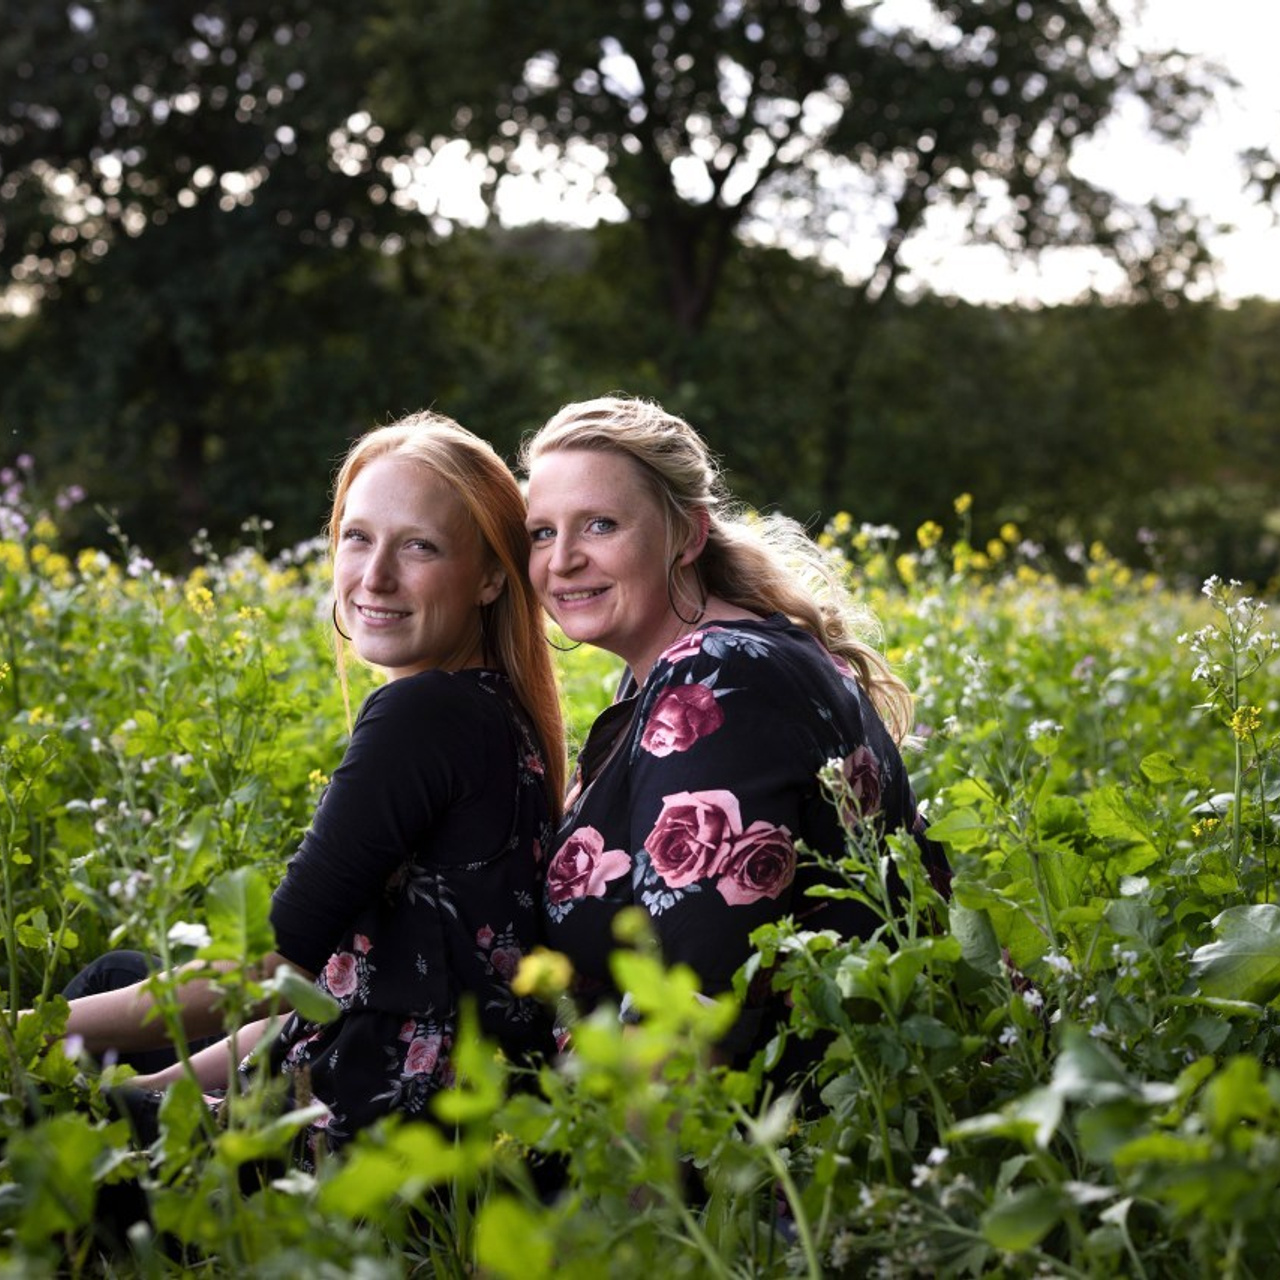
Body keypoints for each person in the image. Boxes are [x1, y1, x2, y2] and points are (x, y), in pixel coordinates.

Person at [45, 411, 566, 1170]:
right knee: (117, 981)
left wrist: (22, 1029)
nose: (374, 577)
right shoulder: (492, 705)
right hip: (409, 1089)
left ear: (491, 575)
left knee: (41, 1086)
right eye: (357, 537)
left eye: (418, 545)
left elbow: (266, 973)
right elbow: (332, 990)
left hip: (369, 1141)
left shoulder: (424, 715)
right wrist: (164, 1081)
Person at [520, 394, 946, 1072]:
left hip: (784, 1147)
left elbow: (689, 1022)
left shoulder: (717, 676)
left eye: (599, 525)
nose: (562, 559)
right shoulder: (684, 667)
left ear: (687, 535)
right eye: (542, 533)